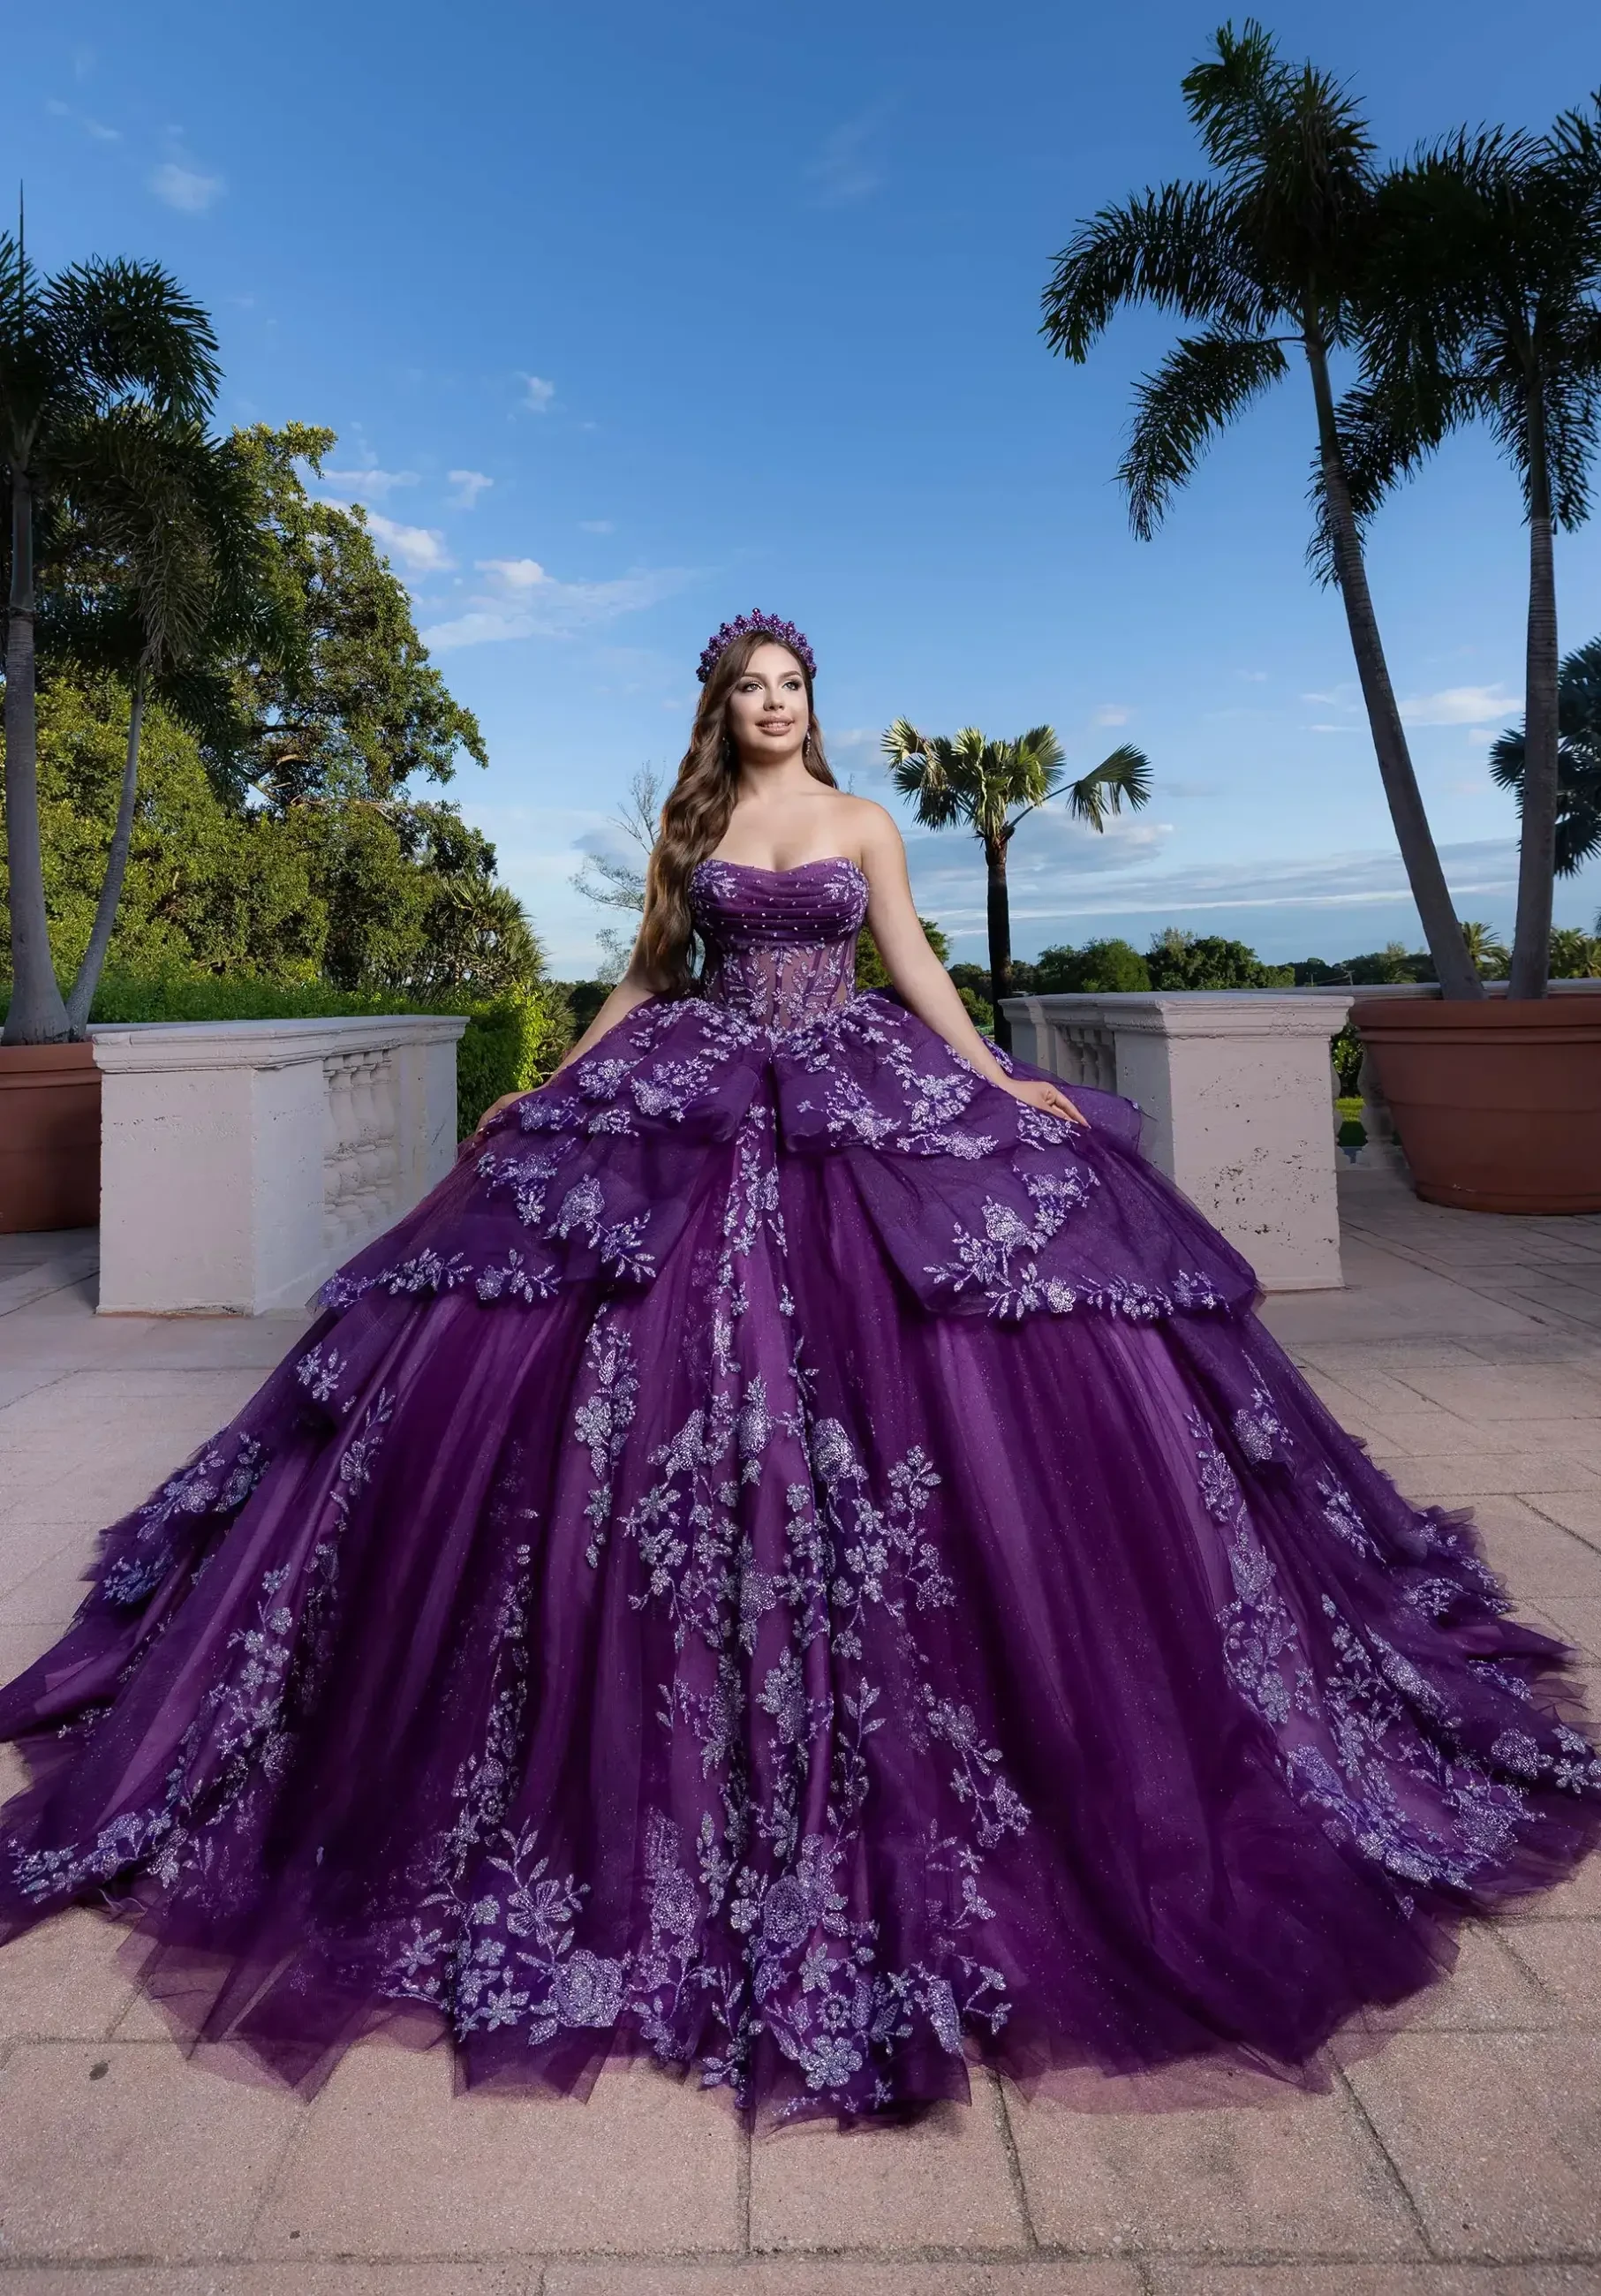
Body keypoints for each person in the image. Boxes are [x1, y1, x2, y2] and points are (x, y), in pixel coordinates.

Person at [1, 610, 1596, 2127]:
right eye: (753, 685)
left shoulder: (864, 823)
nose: (775, 703)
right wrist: (549, 1089)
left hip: (852, 1098)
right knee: (605, 1389)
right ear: (723, 708)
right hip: (694, 1101)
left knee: (941, 1373)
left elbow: (915, 970)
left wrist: (996, 1084)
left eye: (792, 682)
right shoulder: (692, 836)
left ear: (814, 701)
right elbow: (641, 981)